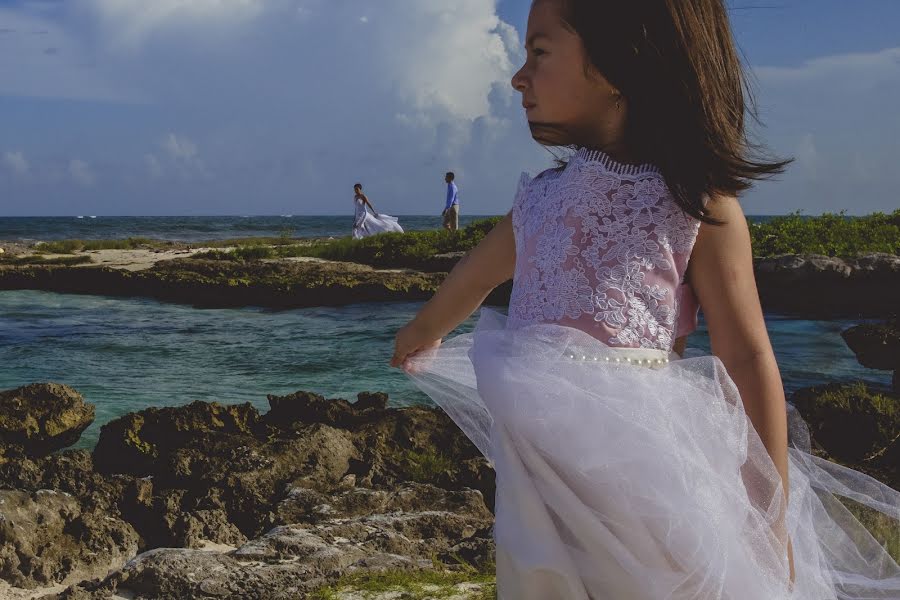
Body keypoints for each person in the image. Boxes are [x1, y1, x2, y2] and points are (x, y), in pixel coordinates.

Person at [391, 1, 900, 598]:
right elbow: (473, 279)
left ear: (617, 64)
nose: (517, 75)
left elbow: (746, 356)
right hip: (540, 477)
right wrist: (421, 332)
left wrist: (769, 517)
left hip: (643, 470)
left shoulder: (696, 204)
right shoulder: (540, 202)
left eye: (540, 52)